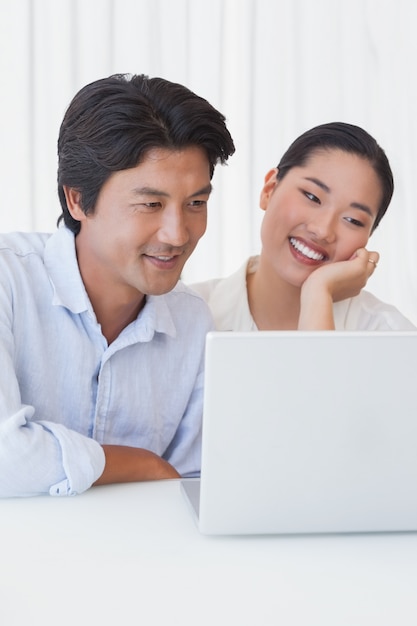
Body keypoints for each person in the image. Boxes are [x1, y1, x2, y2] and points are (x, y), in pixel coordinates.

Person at [0, 73, 235, 497]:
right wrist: (137, 463)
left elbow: (191, 489)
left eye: (196, 203)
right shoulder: (8, 281)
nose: (177, 234)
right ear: (77, 199)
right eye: (151, 204)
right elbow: (6, 459)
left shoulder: (192, 318)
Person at [191, 122, 416, 331]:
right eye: (312, 197)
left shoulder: (389, 336)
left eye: (353, 220)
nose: (323, 231)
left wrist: (318, 292)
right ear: (269, 190)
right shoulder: (185, 317)